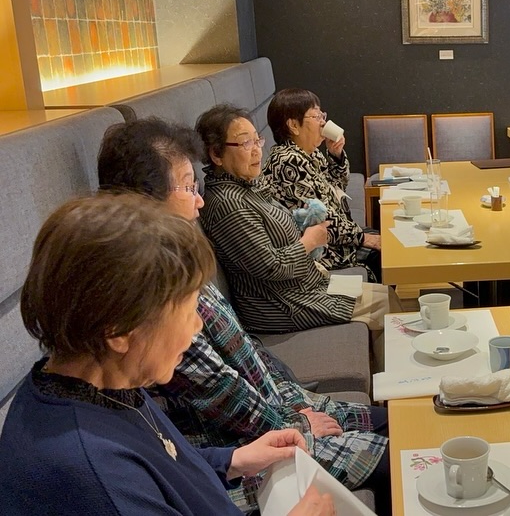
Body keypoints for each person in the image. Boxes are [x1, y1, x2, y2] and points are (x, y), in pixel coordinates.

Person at [97, 118, 390, 514]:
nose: (198, 200)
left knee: (395, 422)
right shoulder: (150, 294)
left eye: (257, 140)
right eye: (188, 187)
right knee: (401, 454)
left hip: (258, 428)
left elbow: (243, 358)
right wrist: (294, 424)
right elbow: (219, 391)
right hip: (248, 438)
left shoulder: (179, 260)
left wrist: (290, 411)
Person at [0, 193, 335, 515]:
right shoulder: (92, 470)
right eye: (188, 311)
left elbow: (165, 469)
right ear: (119, 332)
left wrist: (233, 460)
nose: (197, 326)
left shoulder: (105, 382)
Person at [194, 104, 398, 352]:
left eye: (257, 140)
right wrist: (310, 241)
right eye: (246, 143)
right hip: (282, 304)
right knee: (387, 306)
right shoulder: (229, 204)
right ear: (216, 154)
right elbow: (271, 266)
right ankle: (396, 372)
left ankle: (386, 368)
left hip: (303, 284)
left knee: (387, 296)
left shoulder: (246, 186)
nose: (257, 150)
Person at [263, 88, 382, 281]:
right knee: (383, 253)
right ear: (293, 125)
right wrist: (364, 238)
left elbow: (337, 188)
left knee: (387, 241)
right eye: (316, 116)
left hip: (335, 235)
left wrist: (336, 155)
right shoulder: (287, 161)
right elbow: (323, 217)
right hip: (322, 249)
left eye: (322, 115)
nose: (323, 122)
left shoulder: (309, 152)